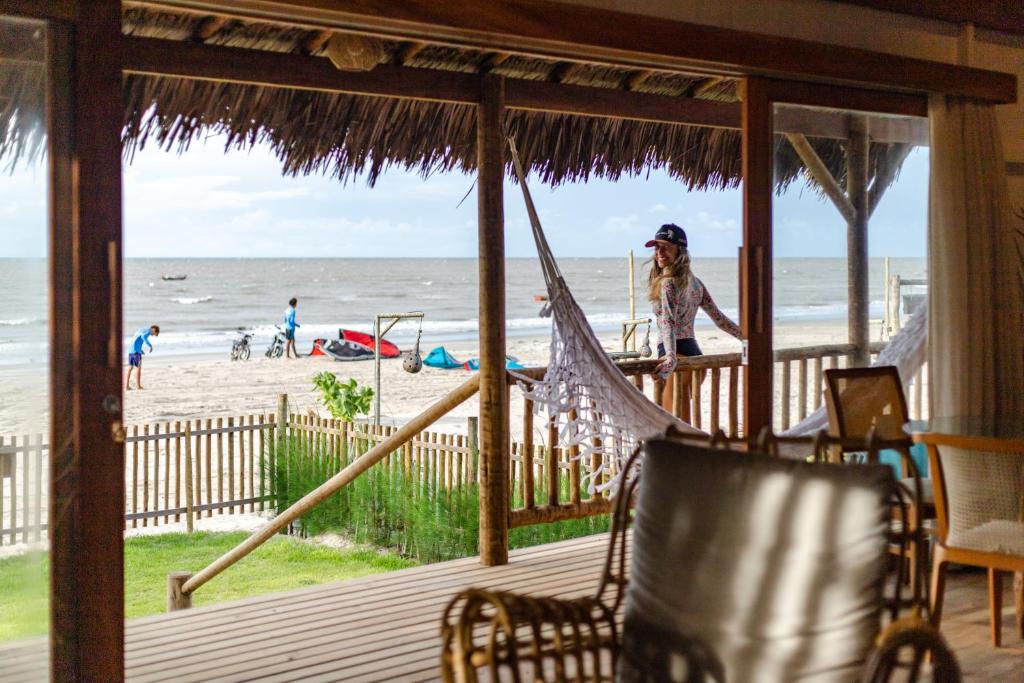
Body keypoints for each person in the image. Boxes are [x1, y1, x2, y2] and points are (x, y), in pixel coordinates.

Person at [646, 223, 742, 414]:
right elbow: (719, 318)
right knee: (680, 416)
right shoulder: (696, 283)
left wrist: (671, 358)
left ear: (680, 250)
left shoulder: (668, 283)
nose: (659, 253)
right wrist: (745, 338)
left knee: (675, 421)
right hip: (695, 355)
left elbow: (668, 321)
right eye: (657, 247)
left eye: (666, 247)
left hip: (675, 355)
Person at [126, 325, 160, 390]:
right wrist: (150, 346)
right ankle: (138, 386)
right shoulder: (148, 332)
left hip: (130, 350)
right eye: (154, 334)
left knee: (130, 368)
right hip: (136, 352)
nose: (152, 335)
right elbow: (143, 337)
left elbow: (136, 339)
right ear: (153, 330)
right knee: (138, 368)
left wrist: (140, 350)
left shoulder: (141, 330)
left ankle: (127, 386)